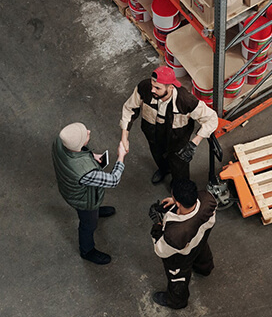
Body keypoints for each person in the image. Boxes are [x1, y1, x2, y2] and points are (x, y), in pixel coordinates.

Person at [119, 66, 218, 185]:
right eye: (152, 85)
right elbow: (130, 108)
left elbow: (212, 119)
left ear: (171, 87)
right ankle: (164, 169)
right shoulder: (144, 88)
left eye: (157, 88)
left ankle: (178, 186)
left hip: (178, 139)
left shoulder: (185, 100)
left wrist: (193, 143)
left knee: (179, 165)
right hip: (153, 133)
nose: (152, 90)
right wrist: (124, 137)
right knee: (158, 154)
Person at [52, 122, 128, 265]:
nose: (88, 131)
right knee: (88, 224)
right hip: (83, 201)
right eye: (85, 134)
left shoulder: (60, 142)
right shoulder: (85, 172)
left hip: (69, 188)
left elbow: (75, 152)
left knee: (92, 212)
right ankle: (87, 251)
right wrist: (121, 157)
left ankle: (97, 211)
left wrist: (91, 156)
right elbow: (113, 180)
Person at [149, 178, 217, 309]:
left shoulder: (175, 234)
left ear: (179, 203)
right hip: (201, 239)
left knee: (177, 278)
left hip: (181, 256)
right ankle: (205, 269)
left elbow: (160, 250)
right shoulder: (208, 199)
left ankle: (177, 302)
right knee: (202, 254)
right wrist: (175, 202)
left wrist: (157, 226)